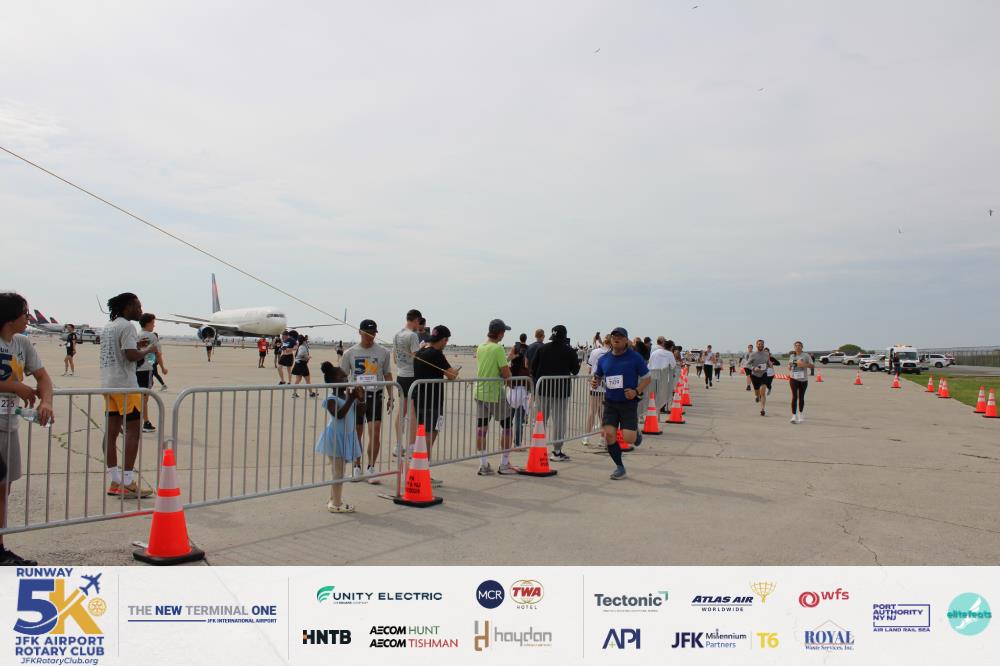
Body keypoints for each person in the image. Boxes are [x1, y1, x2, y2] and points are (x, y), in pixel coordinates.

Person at [0, 292, 54, 565]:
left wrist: (46, 401)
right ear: (10, 317)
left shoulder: (21, 342)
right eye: (25, 313)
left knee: (4, 488)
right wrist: (13, 386)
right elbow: (15, 384)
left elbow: (43, 377)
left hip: (9, 425)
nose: (28, 318)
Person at [99, 293, 153, 498]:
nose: (140, 311)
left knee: (111, 432)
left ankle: (115, 480)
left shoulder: (108, 327)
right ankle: (128, 481)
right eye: (138, 307)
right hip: (126, 386)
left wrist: (136, 348)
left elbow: (122, 352)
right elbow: (131, 356)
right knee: (133, 432)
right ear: (127, 307)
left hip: (108, 385)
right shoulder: (128, 326)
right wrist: (148, 349)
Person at [592, 327, 650, 481]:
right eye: (614, 336)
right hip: (610, 403)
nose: (616, 339)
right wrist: (595, 382)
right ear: (611, 339)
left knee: (629, 439)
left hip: (628, 403)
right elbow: (598, 376)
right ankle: (620, 467)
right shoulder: (604, 359)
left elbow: (647, 378)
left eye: (619, 336)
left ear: (626, 340)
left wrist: (636, 391)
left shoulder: (635, 357)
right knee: (609, 434)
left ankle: (636, 434)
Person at [340, 320, 393, 483]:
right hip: (357, 397)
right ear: (360, 332)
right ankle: (356, 466)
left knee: (375, 432)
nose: (371, 336)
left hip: (375, 395)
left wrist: (391, 396)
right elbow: (343, 376)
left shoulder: (383, 352)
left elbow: (387, 374)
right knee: (357, 432)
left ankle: (371, 467)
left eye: (373, 333)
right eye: (367, 333)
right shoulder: (350, 353)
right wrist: (344, 398)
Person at [413, 325, 459, 486]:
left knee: (425, 434)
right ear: (443, 340)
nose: (446, 343)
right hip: (431, 401)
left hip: (420, 399)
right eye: (446, 340)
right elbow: (451, 375)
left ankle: (420, 469)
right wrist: (456, 371)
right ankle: (422, 471)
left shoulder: (421, 351)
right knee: (429, 435)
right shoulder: (436, 354)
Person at [315, 362, 363, 513]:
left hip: (347, 436)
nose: (346, 380)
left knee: (339, 470)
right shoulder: (331, 399)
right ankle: (336, 504)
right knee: (338, 472)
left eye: (346, 377)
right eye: (342, 377)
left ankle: (333, 498)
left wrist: (360, 398)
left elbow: (360, 414)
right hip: (335, 438)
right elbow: (339, 415)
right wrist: (351, 399)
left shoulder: (347, 396)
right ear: (332, 382)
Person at [530, 324, 581, 461]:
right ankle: (557, 451)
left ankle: (537, 448)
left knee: (540, 420)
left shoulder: (542, 349)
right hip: (560, 391)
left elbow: (533, 367)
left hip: (543, 389)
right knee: (559, 421)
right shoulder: (569, 351)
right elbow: (575, 370)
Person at [475, 319, 515, 476]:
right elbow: (505, 372)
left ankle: (483, 464)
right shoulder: (498, 348)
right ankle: (504, 463)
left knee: (481, 428)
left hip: (480, 392)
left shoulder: (481, 346)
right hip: (495, 393)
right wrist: (510, 380)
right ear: (500, 333)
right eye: (503, 332)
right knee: (507, 426)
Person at [392, 309, 423, 451]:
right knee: (412, 412)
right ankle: (411, 446)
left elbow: (394, 358)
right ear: (416, 320)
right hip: (411, 376)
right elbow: (416, 358)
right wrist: (422, 348)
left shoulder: (397, 334)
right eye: (419, 322)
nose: (419, 325)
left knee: (401, 411)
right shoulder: (412, 335)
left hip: (400, 375)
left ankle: (398, 445)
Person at [135, 313, 166, 433]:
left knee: (135, 396)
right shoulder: (152, 336)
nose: (154, 325)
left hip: (135, 369)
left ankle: (131, 420)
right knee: (145, 398)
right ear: (148, 323)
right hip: (146, 369)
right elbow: (158, 354)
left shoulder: (136, 335)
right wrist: (162, 367)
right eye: (153, 323)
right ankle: (145, 422)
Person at [507, 334, 532, 450]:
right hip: (523, 387)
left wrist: (515, 356)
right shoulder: (528, 349)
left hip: (513, 387)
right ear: (526, 339)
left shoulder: (515, 347)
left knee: (509, 419)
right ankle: (517, 444)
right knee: (519, 420)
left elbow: (508, 358)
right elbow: (528, 365)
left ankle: (507, 442)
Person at [585, 335, 611, 444]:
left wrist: (589, 378)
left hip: (595, 384)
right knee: (603, 413)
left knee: (592, 411)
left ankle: (586, 437)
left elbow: (589, 367)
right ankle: (602, 438)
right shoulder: (611, 353)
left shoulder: (595, 351)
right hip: (607, 385)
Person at [788, 341, 815, 423]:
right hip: (793, 378)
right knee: (794, 397)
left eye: (799, 345)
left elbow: (812, 366)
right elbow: (790, 364)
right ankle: (793, 416)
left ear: (802, 347)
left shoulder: (806, 355)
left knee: (801, 397)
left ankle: (800, 414)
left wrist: (804, 365)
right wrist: (789, 366)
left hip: (803, 379)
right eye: (796, 346)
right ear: (794, 347)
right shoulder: (792, 355)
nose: (798, 347)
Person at [648, 337, 676, 414]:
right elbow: (673, 365)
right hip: (663, 374)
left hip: (653, 373)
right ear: (671, 347)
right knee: (664, 392)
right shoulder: (670, 354)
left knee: (654, 392)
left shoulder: (655, 352)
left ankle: (653, 407)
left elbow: (650, 363)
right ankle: (662, 408)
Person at [747, 339, 773, 416]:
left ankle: (762, 409)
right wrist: (754, 368)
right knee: (757, 392)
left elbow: (768, 362)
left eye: (762, 344)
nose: (760, 345)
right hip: (754, 375)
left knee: (763, 392)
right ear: (756, 345)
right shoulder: (753, 354)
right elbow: (747, 364)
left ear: (763, 345)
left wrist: (770, 364)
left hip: (764, 374)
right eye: (759, 344)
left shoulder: (766, 354)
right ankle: (757, 396)